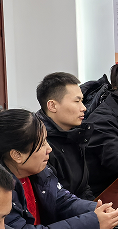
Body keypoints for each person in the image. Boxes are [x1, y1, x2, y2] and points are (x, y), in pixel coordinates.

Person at [0, 109, 118, 229]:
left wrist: (94, 209)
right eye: (42, 143)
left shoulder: (38, 171)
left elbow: (61, 200)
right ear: (17, 155)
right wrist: (91, 223)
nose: (49, 149)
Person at [36, 72, 96, 200]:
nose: (84, 108)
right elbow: (55, 200)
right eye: (77, 101)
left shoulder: (75, 134)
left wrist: (97, 207)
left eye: (82, 101)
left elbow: (83, 188)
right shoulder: (40, 145)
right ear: (52, 106)